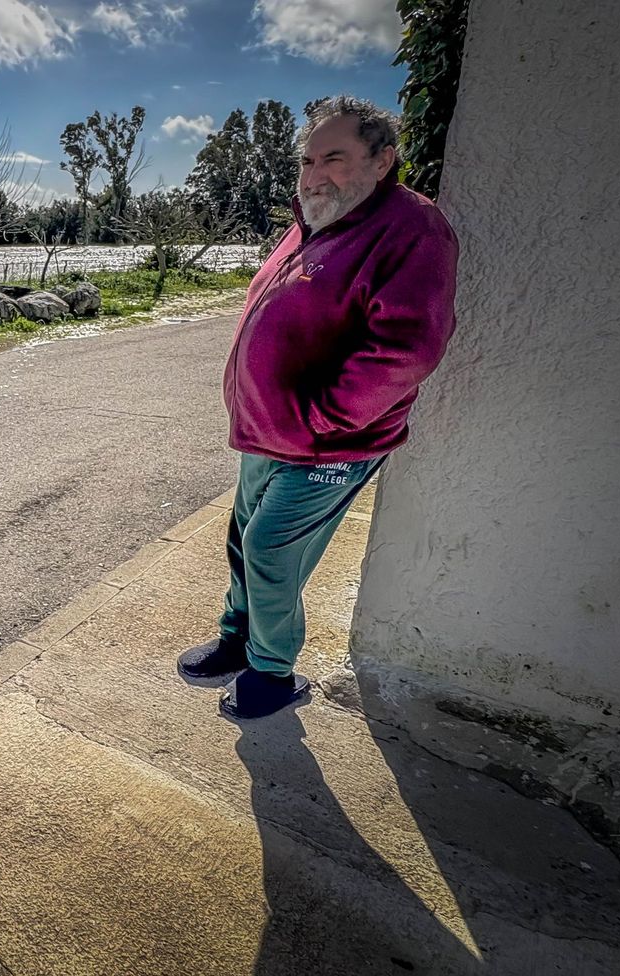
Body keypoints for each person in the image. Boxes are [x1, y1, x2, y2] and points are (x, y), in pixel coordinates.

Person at [179, 96, 461, 720]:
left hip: (330, 442)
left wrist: (323, 419)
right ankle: (237, 638)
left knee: (271, 550)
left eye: (333, 158)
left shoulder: (413, 228)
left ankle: (272, 672)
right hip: (266, 431)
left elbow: (407, 348)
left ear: (382, 160)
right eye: (308, 160)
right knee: (242, 538)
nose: (313, 175)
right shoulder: (316, 219)